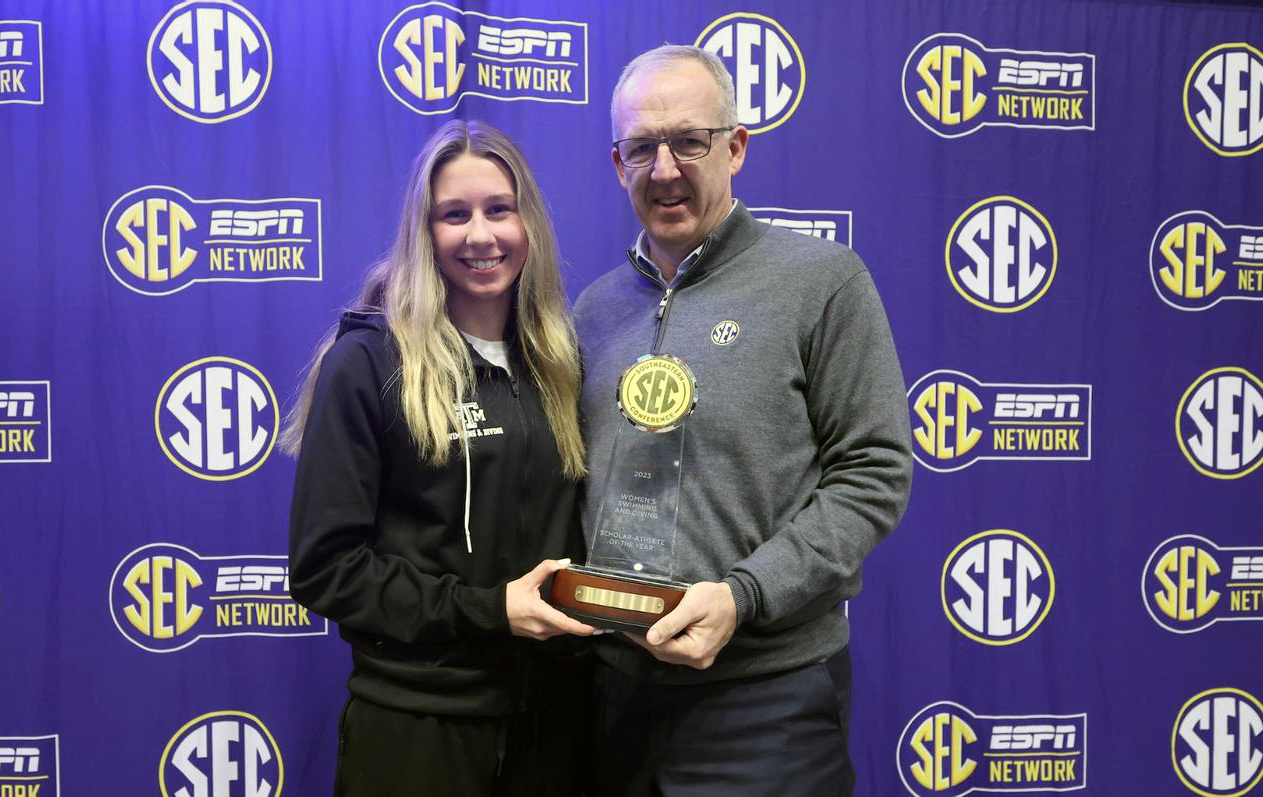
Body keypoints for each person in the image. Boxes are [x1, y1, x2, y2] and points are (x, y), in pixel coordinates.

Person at [573, 45, 914, 795]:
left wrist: (742, 594)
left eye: (688, 141)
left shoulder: (821, 283)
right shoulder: (592, 312)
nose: (665, 168)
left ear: (736, 146)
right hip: (615, 697)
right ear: (616, 163)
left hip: (766, 698)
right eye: (641, 148)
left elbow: (874, 474)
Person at [284, 119, 596, 796]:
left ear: (529, 224)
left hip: (555, 725)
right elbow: (324, 568)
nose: (480, 235)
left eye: (499, 210)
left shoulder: (560, 361)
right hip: (417, 728)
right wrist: (489, 609)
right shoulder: (369, 364)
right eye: (454, 215)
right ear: (423, 233)